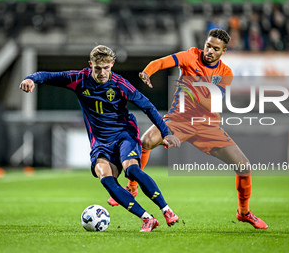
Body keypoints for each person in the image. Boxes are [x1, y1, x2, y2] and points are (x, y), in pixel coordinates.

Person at [108, 29, 268, 229]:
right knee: (146, 141)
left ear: (223, 51)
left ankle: (244, 213)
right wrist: (148, 72)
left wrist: (192, 91)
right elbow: (161, 62)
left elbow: (212, 103)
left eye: (215, 49)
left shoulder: (225, 73)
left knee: (244, 166)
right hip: (178, 121)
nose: (209, 50)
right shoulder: (190, 56)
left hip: (207, 126)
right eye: (208, 45)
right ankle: (132, 187)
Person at [19, 45, 180, 232]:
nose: (102, 73)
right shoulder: (78, 79)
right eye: (98, 68)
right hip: (100, 142)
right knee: (106, 178)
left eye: (106, 68)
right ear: (90, 65)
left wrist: (166, 132)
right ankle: (147, 218)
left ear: (112, 64)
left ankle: (166, 210)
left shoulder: (120, 84)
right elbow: (47, 75)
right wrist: (31, 78)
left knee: (132, 170)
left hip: (124, 135)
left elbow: (148, 107)